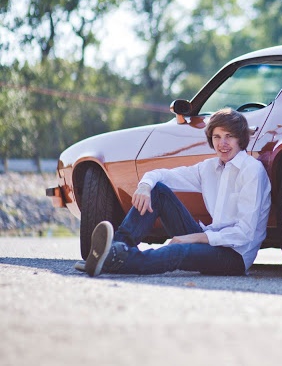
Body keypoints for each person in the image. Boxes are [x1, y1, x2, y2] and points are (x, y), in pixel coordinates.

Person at [83, 108, 271, 277]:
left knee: (177, 252)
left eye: (229, 136)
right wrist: (145, 186)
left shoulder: (251, 171)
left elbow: (244, 233)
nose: (222, 143)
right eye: (217, 137)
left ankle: (111, 259)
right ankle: (116, 248)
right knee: (158, 191)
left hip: (234, 255)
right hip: (208, 240)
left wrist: (189, 238)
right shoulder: (208, 168)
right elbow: (162, 175)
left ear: (241, 138)